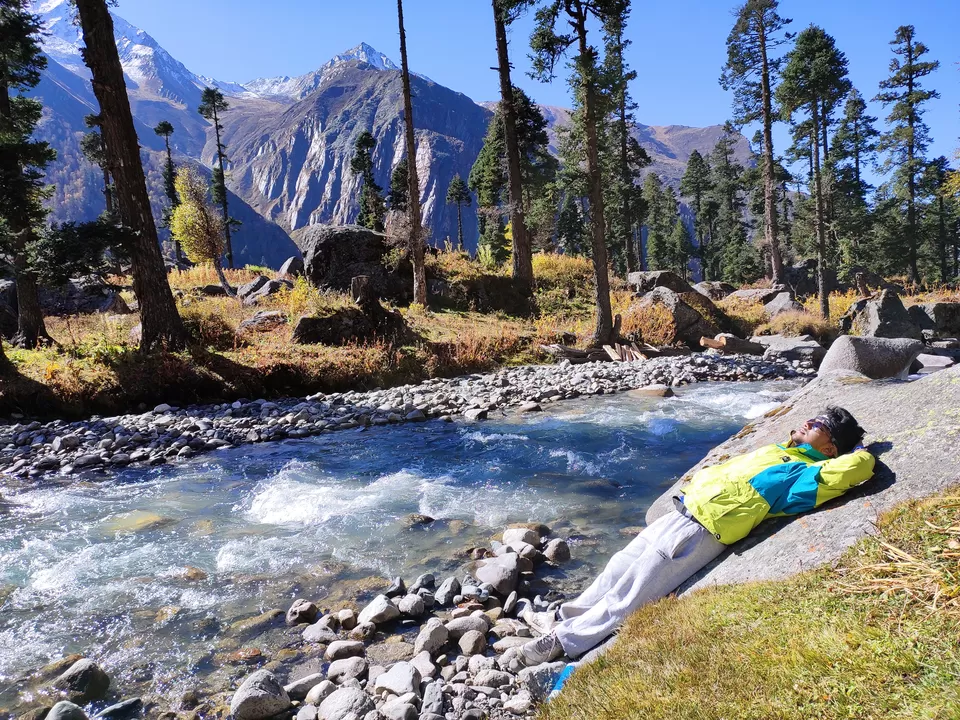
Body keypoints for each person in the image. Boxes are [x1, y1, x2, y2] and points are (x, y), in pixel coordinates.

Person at [520, 406, 875, 666]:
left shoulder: (807, 473)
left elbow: (850, 471)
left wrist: (861, 454)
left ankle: (562, 642)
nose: (808, 422)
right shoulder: (781, 451)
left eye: (819, 425)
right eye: (813, 417)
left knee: (632, 591)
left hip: (701, 531)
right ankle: (566, 617)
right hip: (680, 512)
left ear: (830, 449)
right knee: (617, 567)